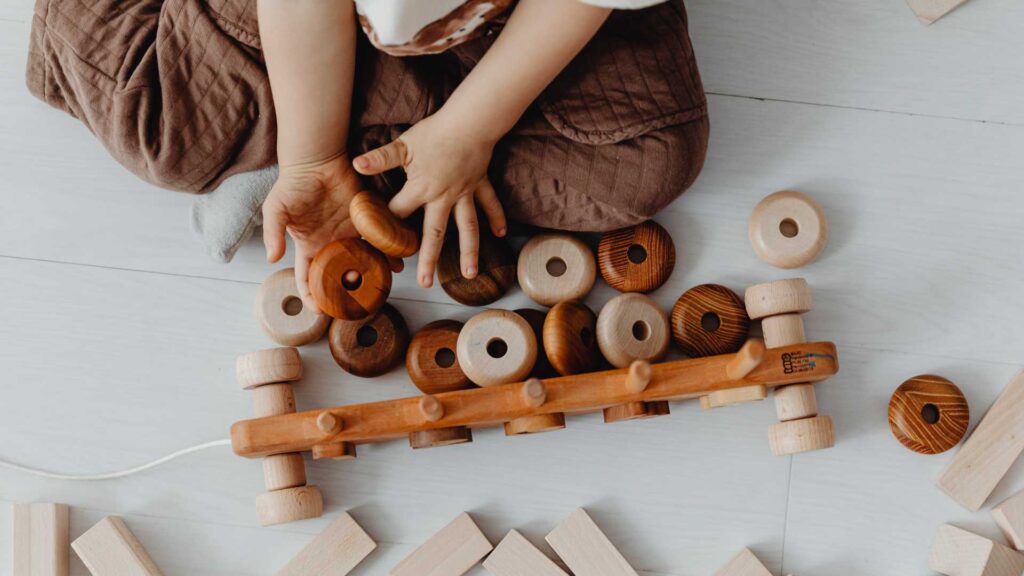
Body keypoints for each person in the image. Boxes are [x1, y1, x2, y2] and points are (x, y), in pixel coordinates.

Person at [27, 0, 708, 311]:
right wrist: (308, 156)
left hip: (519, 21)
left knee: (650, 164)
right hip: (312, 17)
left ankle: (401, 144)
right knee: (160, 134)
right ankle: (379, 150)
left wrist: (471, 129)